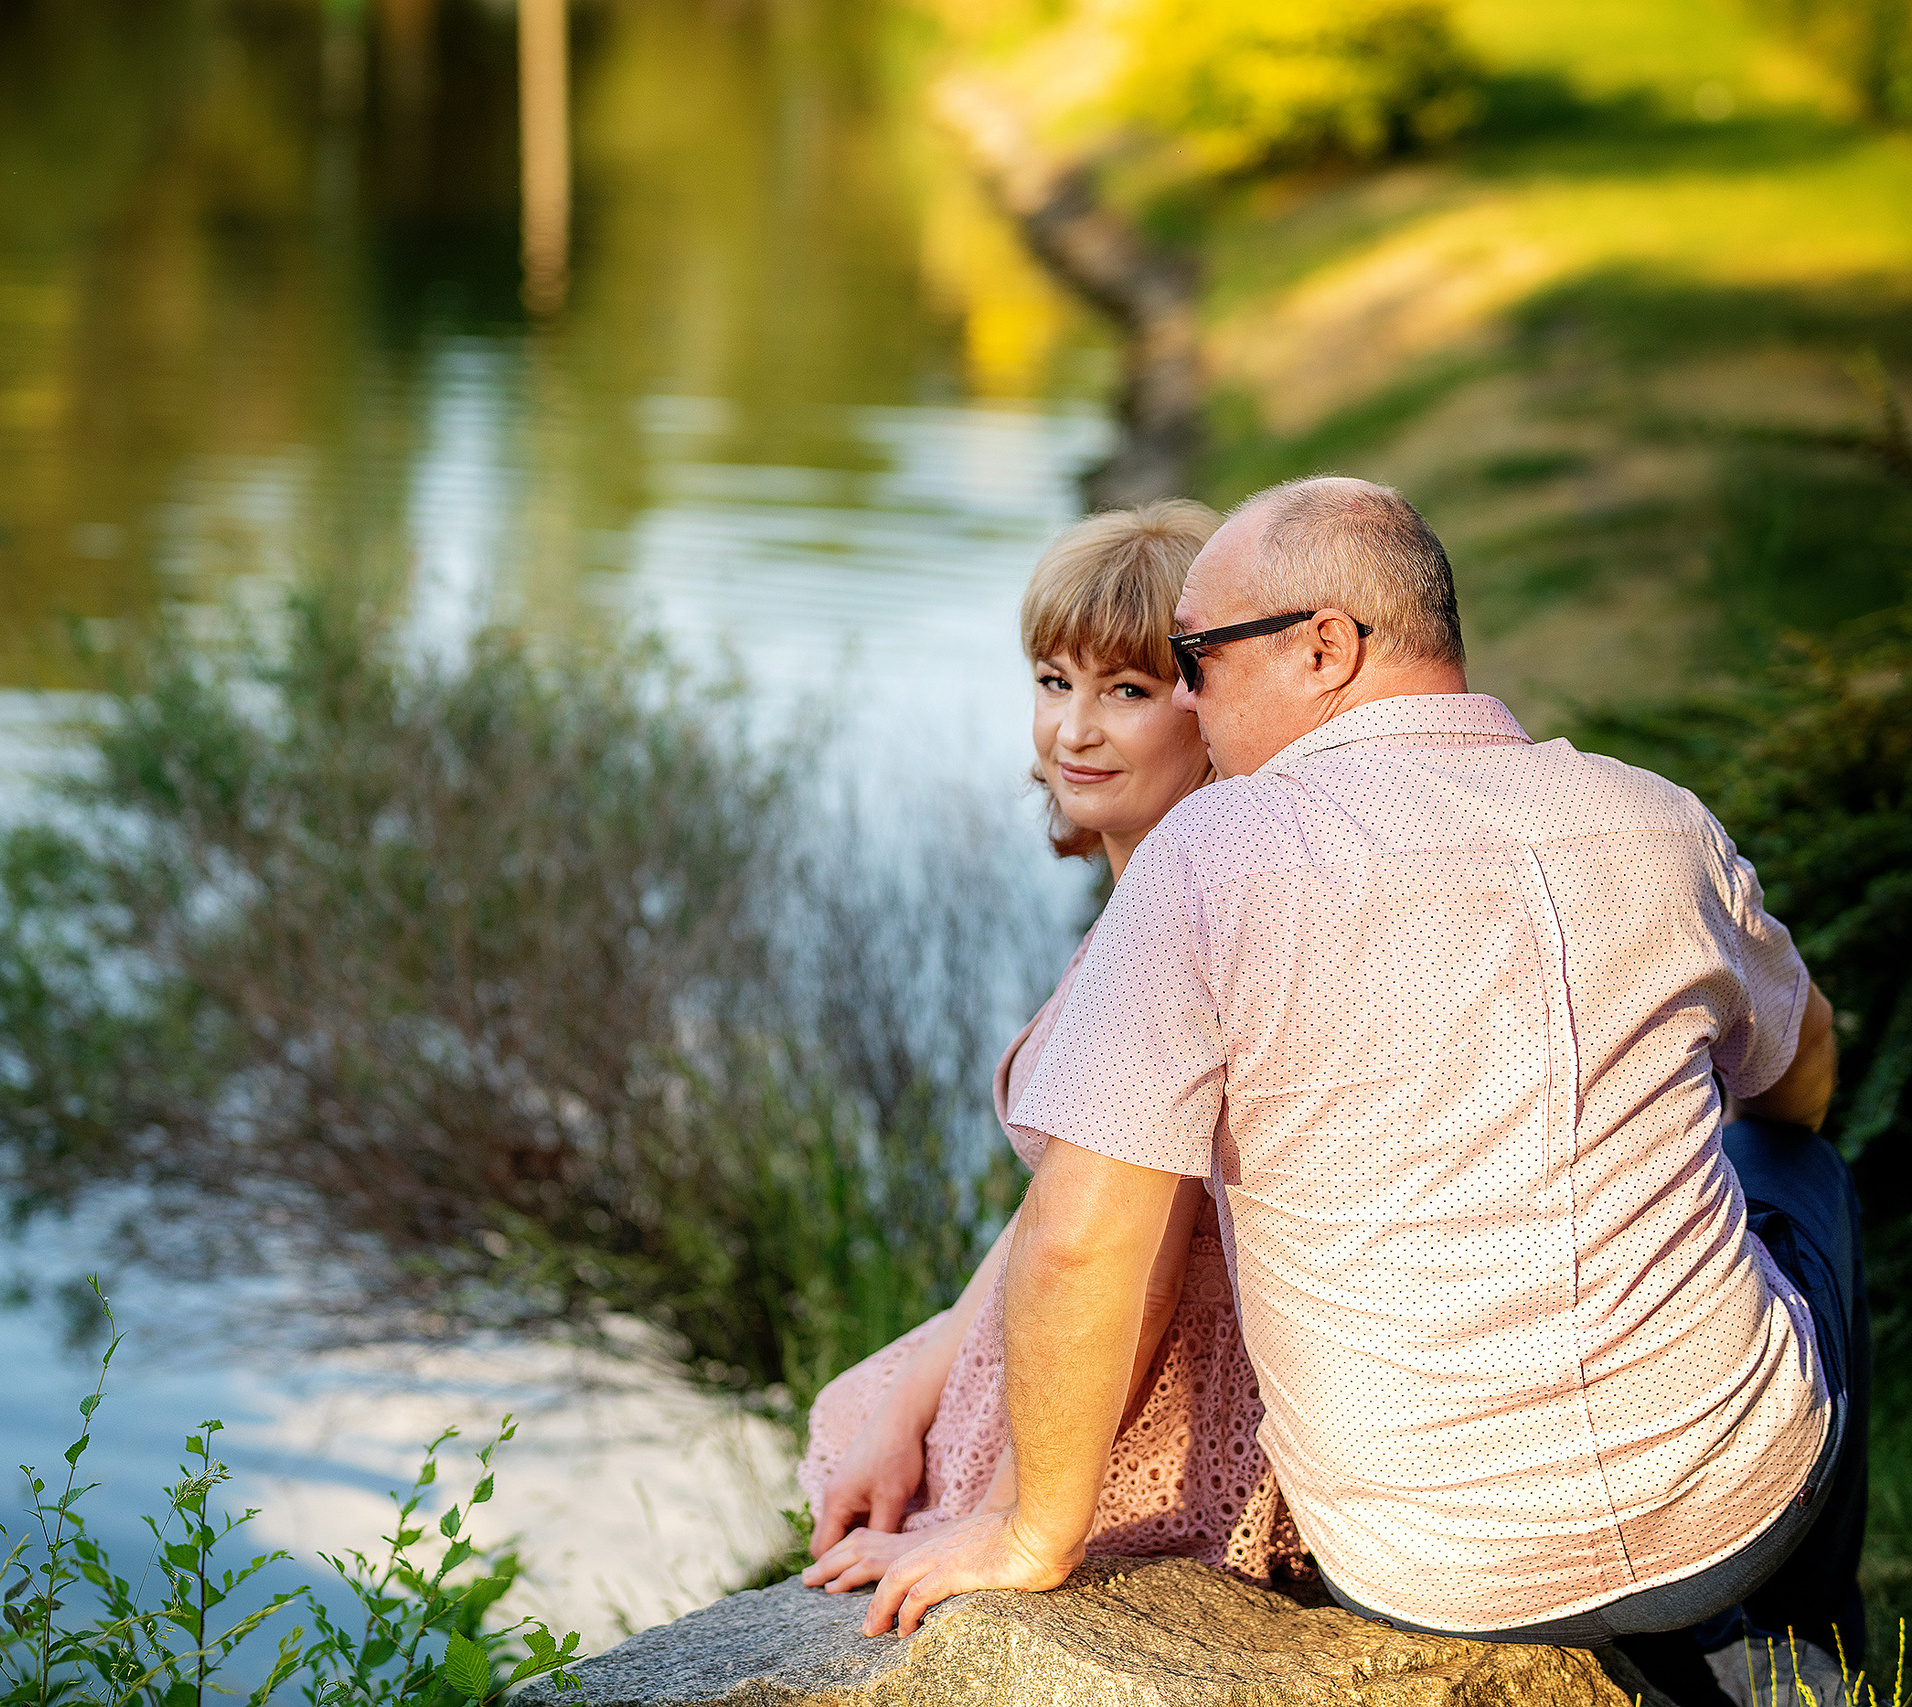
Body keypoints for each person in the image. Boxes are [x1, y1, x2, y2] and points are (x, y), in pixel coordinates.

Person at [855, 477, 1865, 1704]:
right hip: (1735, 1510)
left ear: (1324, 647)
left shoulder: (1209, 859)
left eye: (1195, 660)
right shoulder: (1656, 818)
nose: (1182, 696)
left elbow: (1083, 1242)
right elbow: (1799, 1060)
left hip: (1422, 1567)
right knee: (1797, 1169)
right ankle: (1806, 1640)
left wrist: (1030, 1534)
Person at [796, 500, 1311, 1596]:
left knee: (890, 1484)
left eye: (1124, 692)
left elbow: (1138, 1264)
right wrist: (915, 1395)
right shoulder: (1142, 898)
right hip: (1088, 1322)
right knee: (863, 1411)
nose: (1072, 730)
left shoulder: (1188, 927)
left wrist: (1005, 1521)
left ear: (1208, 703)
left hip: (1165, 1384)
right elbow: (1062, 1199)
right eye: (1051, 681)